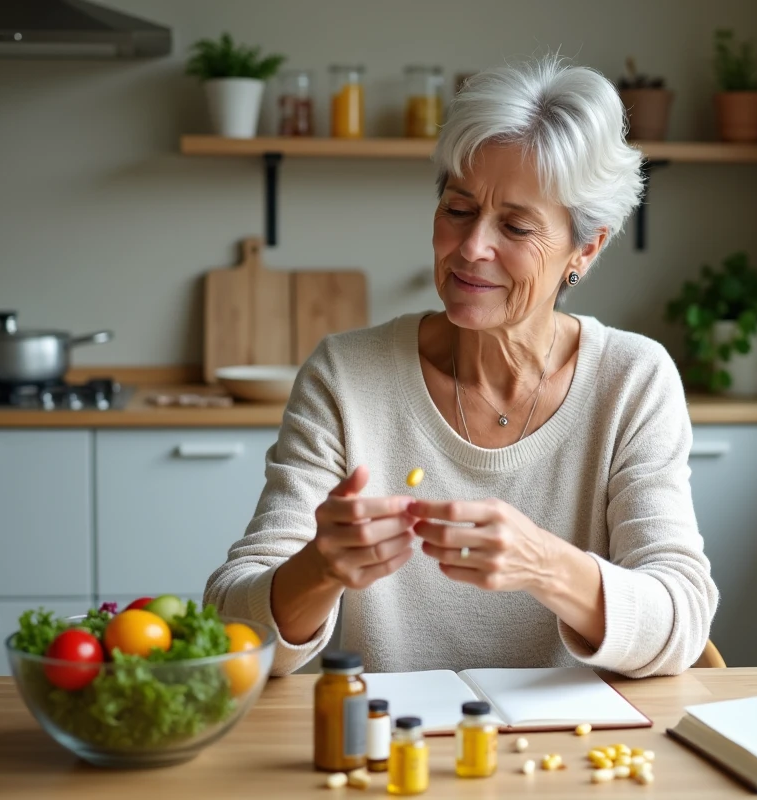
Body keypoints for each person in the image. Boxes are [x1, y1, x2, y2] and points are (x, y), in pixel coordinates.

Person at [205, 56, 718, 678]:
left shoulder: (633, 381)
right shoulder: (346, 375)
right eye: (458, 209)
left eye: (517, 225)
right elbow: (230, 624)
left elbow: (682, 620)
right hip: (386, 755)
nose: (473, 247)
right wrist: (319, 567)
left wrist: (544, 564)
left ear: (587, 246)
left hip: (578, 758)